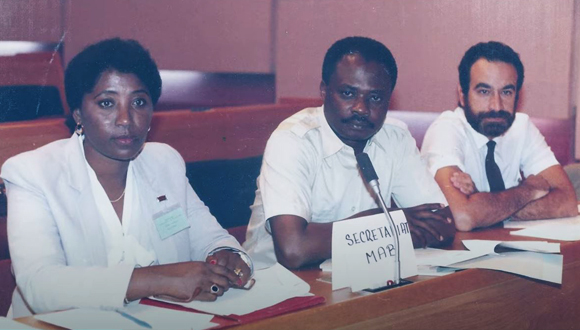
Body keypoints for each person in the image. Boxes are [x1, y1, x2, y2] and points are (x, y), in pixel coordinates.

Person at [2, 38, 252, 317]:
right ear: (78, 114)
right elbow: (40, 287)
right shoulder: (32, 173)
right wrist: (158, 279)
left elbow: (213, 240)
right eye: (107, 103)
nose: (125, 119)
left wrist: (228, 257)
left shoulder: (163, 162)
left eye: (139, 102)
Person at [244, 36, 455, 269]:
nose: (361, 109)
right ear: (324, 91)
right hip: (278, 287)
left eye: (375, 98)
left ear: (389, 99)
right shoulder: (293, 140)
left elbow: (442, 225)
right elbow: (294, 250)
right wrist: (389, 223)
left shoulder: (395, 137)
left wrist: (338, 236)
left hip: (356, 277)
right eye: (347, 93)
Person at [421, 41, 577, 232]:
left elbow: (568, 202)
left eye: (506, 92)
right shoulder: (446, 130)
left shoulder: (521, 127)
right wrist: (527, 190)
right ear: (462, 95)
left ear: (517, 96)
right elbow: (463, 216)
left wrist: (484, 204)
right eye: (484, 92)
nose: (496, 105)